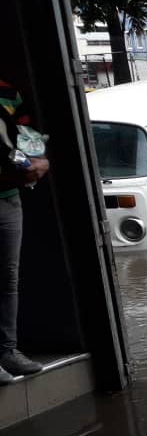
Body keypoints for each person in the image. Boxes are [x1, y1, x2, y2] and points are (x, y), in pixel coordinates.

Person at [0, 78, 47, 386]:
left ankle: (6, 351)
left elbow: (25, 138)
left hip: (7, 196)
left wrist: (38, 162)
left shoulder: (9, 93)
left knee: (7, 277)